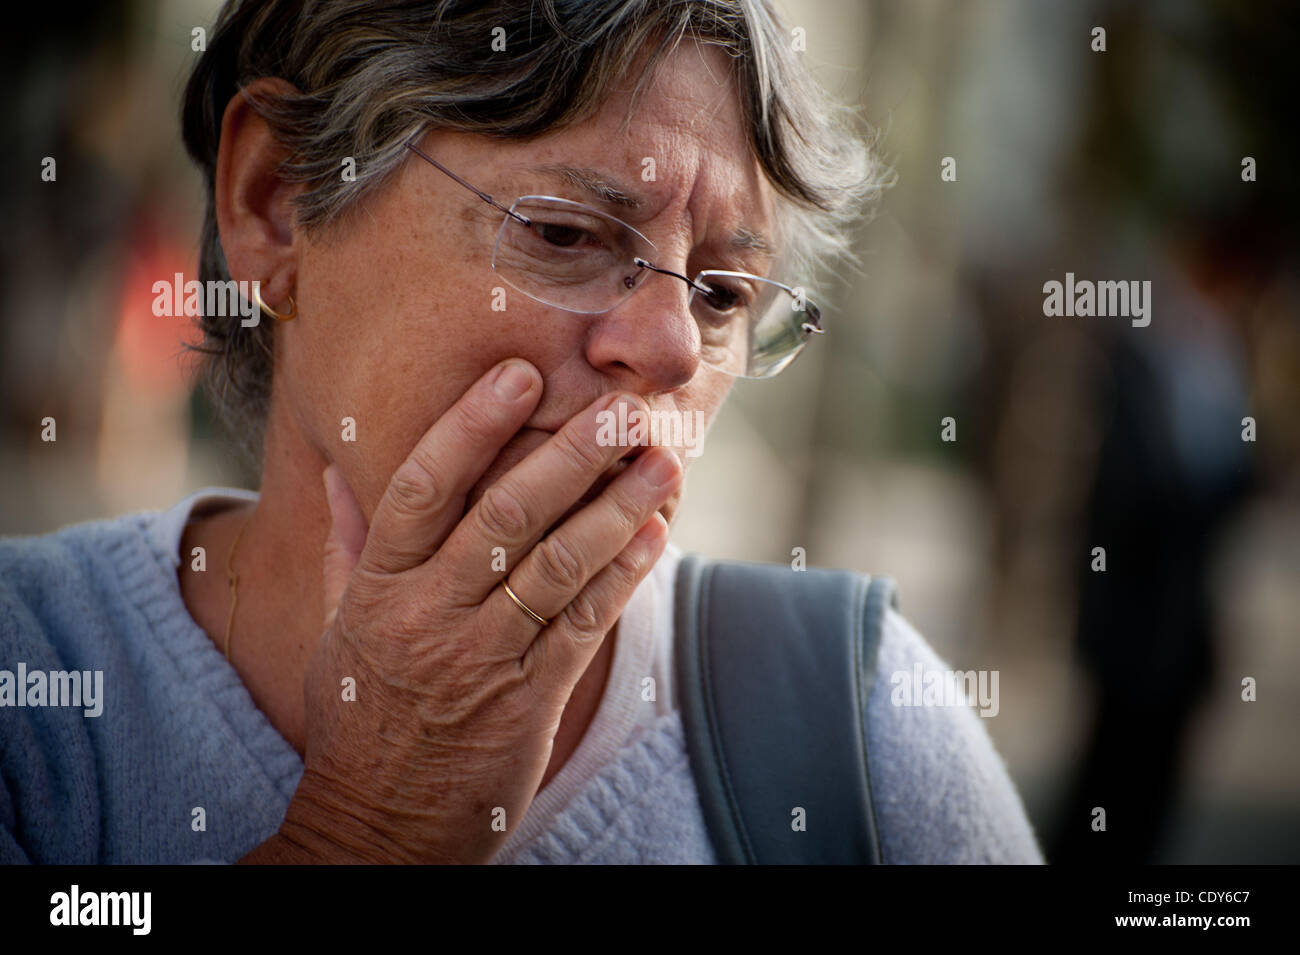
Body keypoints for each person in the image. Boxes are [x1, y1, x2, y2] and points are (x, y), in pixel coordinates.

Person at [0, 0, 1041, 864]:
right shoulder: (34, 682)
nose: (673, 347)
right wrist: (369, 831)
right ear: (274, 204)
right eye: (563, 234)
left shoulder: (857, 727)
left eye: (725, 293)